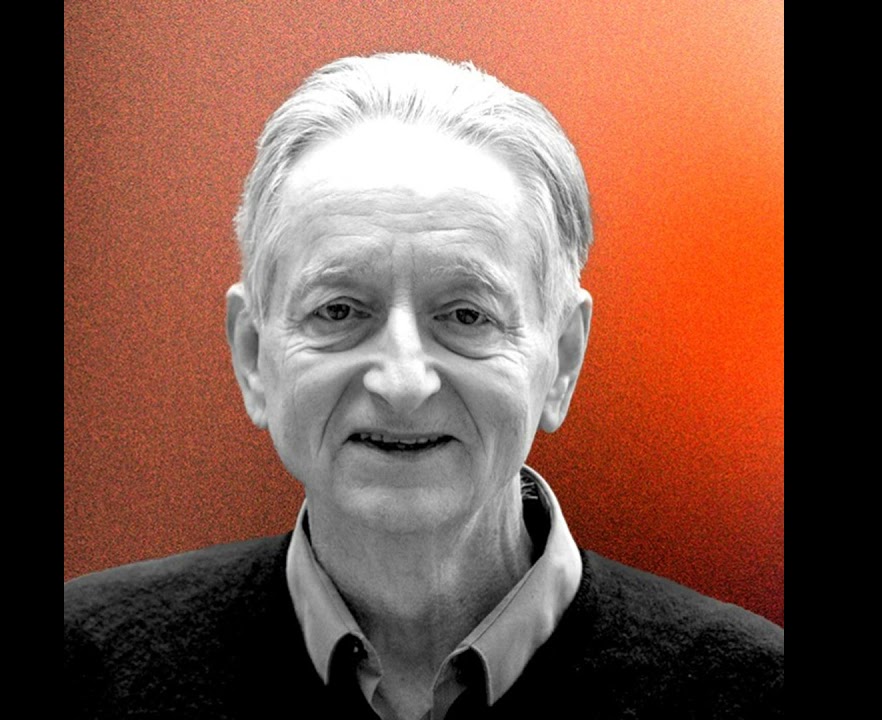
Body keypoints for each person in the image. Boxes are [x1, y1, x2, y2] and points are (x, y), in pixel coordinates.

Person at [64, 52, 783, 719]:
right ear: (253, 353)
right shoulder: (85, 669)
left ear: (562, 358)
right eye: (340, 311)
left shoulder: (753, 693)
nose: (403, 382)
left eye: (466, 315)